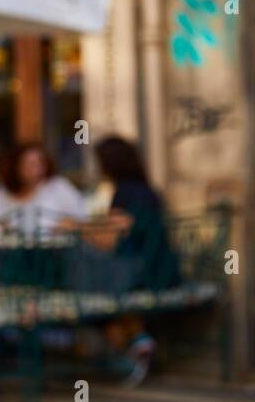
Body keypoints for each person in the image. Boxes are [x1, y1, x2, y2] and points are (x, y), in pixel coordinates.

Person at [59, 136, 181, 386]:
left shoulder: (126, 191)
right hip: (158, 268)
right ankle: (139, 342)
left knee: (90, 302)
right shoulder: (144, 189)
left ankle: (134, 350)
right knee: (93, 290)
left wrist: (75, 226)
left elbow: (110, 240)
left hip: (143, 273)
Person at [0, 141, 90, 238]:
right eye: (28, 164)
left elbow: (82, 220)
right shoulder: (0, 192)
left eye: (38, 164)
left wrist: (70, 225)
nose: (34, 170)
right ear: (16, 166)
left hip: (56, 256)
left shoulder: (58, 187)